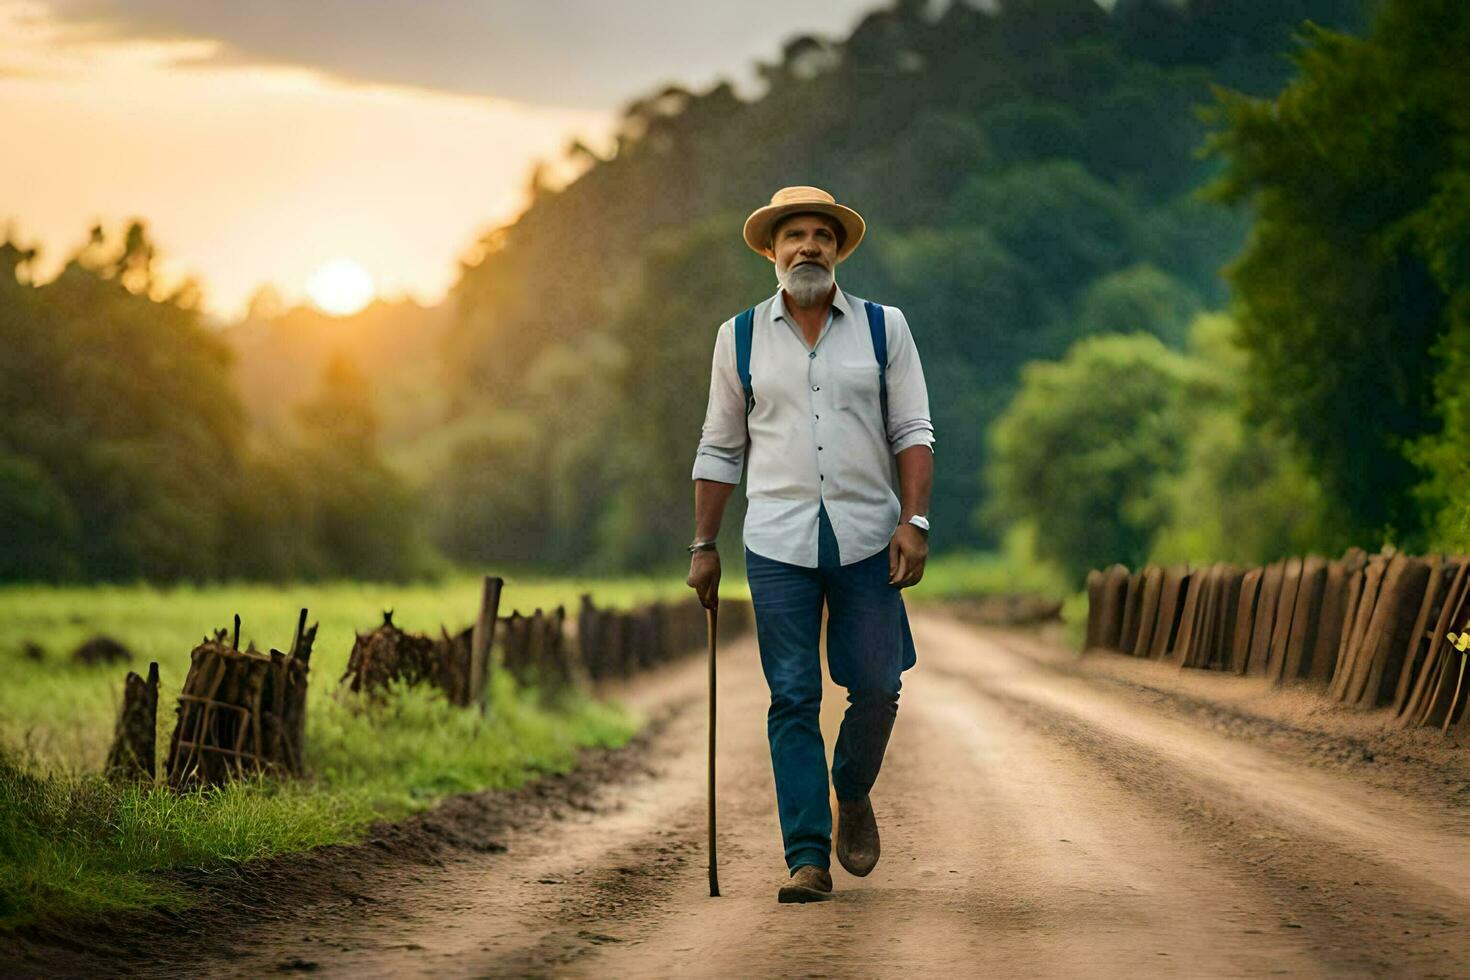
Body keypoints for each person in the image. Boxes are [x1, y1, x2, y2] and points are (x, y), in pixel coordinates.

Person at [686, 185, 935, 904]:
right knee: (791, 696)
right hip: (776, 540)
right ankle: (806, 857)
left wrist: (914, 524)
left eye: (821, 235)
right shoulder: (738, 338)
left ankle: (850, 792)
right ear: (771, 251)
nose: (808, 246)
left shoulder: (886, 329)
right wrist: (704, 543)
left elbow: (913, 431)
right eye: (792, 235)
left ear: (839, 249)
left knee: (878, 691)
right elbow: (719, 444)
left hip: (867, 538)